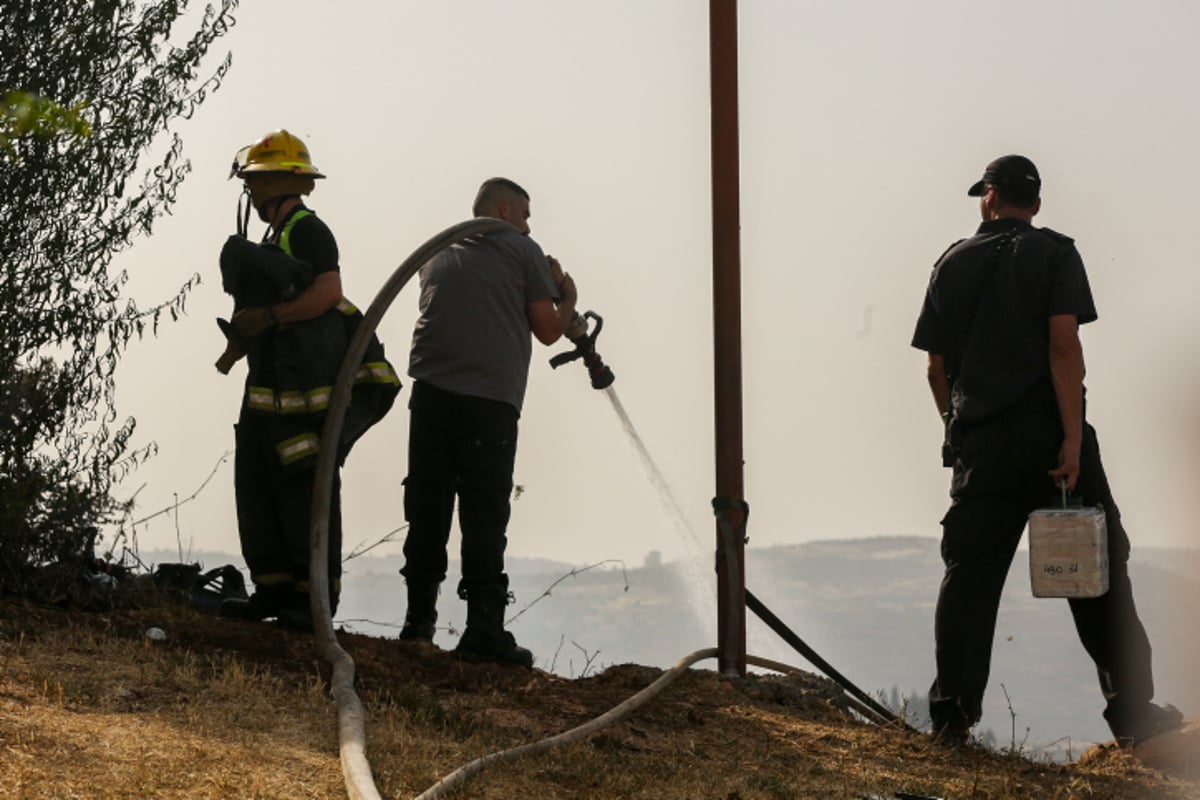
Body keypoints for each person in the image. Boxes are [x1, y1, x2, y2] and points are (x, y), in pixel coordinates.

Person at [911, 154, 1183, 746]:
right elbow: (1064, 346)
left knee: (970, 579)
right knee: (1099, 570)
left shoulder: (950, 265)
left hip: (982, 446)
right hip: (1050, 437)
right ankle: (1134, 717)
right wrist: (1069, 438)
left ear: (988, 196)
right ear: (1035, 204)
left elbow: (936, 370)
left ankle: (953, 718)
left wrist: (958, 435)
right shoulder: (1056, 253)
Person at [215, 129, 400, 631]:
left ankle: (309, 599)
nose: (249, 191)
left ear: (277, 180)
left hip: (303, 389)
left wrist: (271, 316)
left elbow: (326, 293)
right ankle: (272, 589)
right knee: (257, 483)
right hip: (270, 387)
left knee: (305, 486)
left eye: (255, 180)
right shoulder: (275, 236)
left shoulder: (308, 230)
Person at [398, 177, 577, 668]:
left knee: (427, 505)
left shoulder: (439, 251)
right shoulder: (521, 250)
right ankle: (483, 631)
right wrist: (567, 296)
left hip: (431, 396)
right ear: (504, 209)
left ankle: (417, 625)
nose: (527, 224)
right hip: (489, 404)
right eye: (525, 215)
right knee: (484, 513)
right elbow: (547, 330)